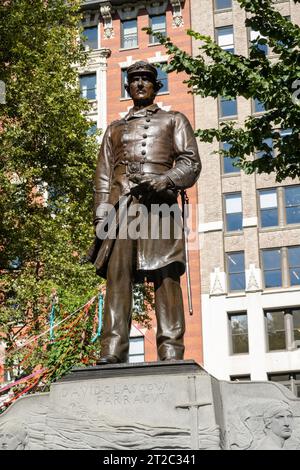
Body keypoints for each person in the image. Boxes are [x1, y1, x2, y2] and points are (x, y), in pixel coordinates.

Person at [89, 61, 201, 364]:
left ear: (156, 86)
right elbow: (102, 176)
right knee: (118, 276)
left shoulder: (173, 120)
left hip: (161, 205)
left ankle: (171, 351)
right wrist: (101, 217)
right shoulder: (114, 130)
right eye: (134, 80)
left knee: (166, 275)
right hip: (122, 206)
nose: (140, 84)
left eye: (146, 80)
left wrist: (164, 179)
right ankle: (112, 350)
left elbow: (191, 162)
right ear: (128, 87)